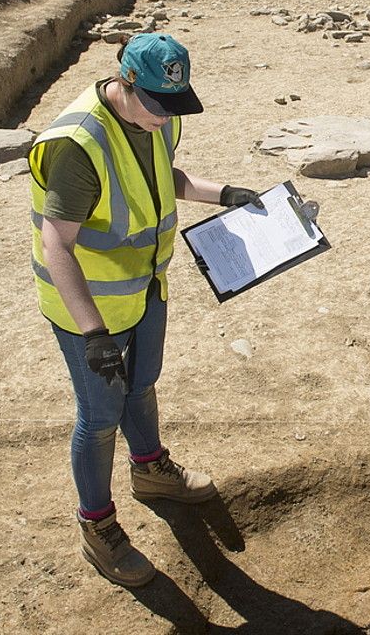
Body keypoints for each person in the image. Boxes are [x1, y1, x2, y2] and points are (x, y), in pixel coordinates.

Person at [29, 33, 265, 587]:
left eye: (174, 106)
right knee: (100, 414)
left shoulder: (160, 117)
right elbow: (56, 245)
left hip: (145, 286)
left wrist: (225, 192)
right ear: (125, 82)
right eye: (156, 106)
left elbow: (164, 180)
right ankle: (98, 526)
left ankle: (151, 470)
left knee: (142, 384)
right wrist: (93, 335)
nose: (165, 118)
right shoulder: (78, 145)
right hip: (88, 309)